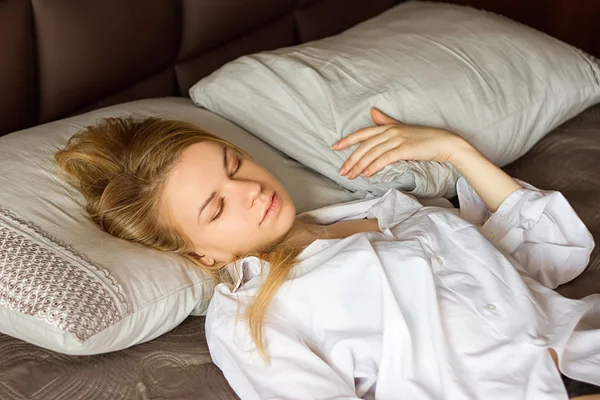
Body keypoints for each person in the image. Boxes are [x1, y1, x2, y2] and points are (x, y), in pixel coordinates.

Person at [55, 108, 600, 400]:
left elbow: (556, 254)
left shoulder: (396, 209)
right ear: (200, 255)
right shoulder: (251, 320)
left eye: (235, 164)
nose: (250, 190)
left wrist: (453, 150)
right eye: (216, 208)